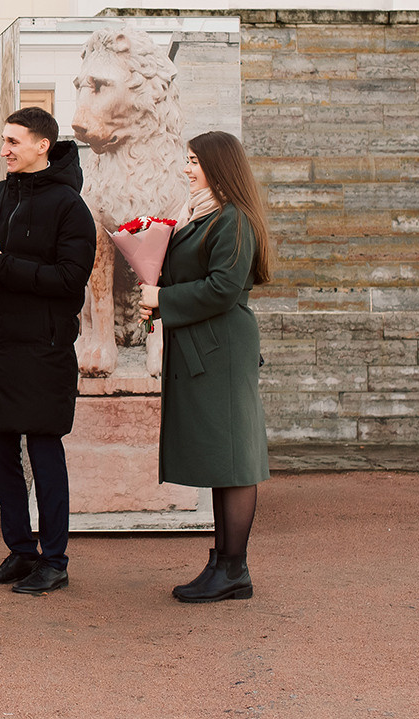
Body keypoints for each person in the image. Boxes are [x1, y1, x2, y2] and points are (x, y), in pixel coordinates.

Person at [0, 107, 95, 596]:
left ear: (43, 145)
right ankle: (21, 551)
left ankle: (54, 561)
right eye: (3, 140)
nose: (6, 149)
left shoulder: (69, 206)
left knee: (42, 450)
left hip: (43, 348)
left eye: (15, 141)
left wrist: (3, 264)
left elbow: (69, 280)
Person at [136, 129, 274, 604]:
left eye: (194, 160)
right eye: (187, 159)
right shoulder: (206, 216)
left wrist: (163, 298)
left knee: (235, 461)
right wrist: (155, 301)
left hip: (223, 352)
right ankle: (223, 561)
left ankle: (234, 569)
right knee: (223, 458)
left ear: (219, 165)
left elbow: (222, 288)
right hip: (206, 348)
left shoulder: (233, 220)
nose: (186, 168)